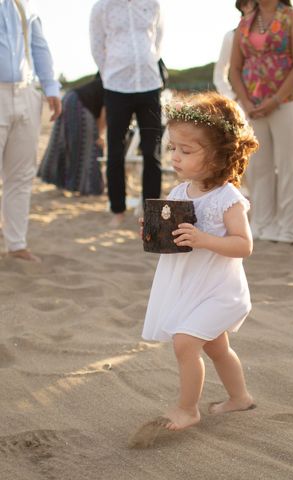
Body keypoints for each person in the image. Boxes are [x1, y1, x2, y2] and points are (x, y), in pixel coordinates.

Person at [135, 92, 258, 438]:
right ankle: (241, 397)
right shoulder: (179, 193)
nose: (175, 156)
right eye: (173, 147)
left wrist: (205, 239)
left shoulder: (227, 199)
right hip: (194, 288)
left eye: (186, 151)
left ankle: (188, 409)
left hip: (221, 292)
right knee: (218, 347)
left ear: (219, 155)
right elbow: (175, 239)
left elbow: (243, 245)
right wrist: (154, 232)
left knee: (185, 343)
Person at [229, 0, 293, 244]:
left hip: (289, 101)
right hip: (253, 105)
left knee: (289, 166)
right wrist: (245, 101)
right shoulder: (245, 21)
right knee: (258, 167)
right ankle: (262, 223)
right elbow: (234, 68)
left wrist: (275, 100)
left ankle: (287, 227)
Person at [90, 0, 164, 226]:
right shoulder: (102, 7)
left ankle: (151, 211)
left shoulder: (153, 3)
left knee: (153, 151)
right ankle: (117, 209)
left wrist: (146, 61)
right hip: (116, 86)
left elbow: (158, 40)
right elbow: (96, 46)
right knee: (115, 150)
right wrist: (111, 73)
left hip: (150, 83)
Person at [0, 0, 61, 262]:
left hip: (25, 93)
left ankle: (16, 244)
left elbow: (38, 45)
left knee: (22, 175)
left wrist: (50, 87)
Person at [38, 74, 105, 195]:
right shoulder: (115, 85)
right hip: (80, 104)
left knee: (64, 141)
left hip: (70, 97)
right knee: (86, 146)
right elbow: (105, 111)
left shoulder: (107, 76)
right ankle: (85, 187)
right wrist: (99, 134)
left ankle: (62, 183)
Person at [213, 0, 256, 100]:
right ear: (241, 6)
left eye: (253, 3)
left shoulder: (272, 34)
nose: (249, 6)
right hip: (242, 104)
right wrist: (232, 97)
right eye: (246, 3)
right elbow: (219, 73)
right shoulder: (231, 36)